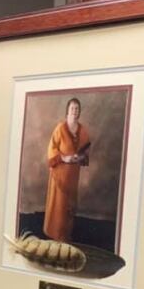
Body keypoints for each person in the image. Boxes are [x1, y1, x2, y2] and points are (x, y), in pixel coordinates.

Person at [43, 97, 90, 242]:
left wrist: (79, 158)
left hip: (73, 174)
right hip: (59, 173)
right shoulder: (60, 128)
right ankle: (54, 233)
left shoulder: (82, 130)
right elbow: (52, 149)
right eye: (72, 108)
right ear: (67, 111)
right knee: (58, 204)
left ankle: (66, 234)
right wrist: (64, 158)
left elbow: (85, 152)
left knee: (69, 205)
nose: (75, 111)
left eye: (77, 109)